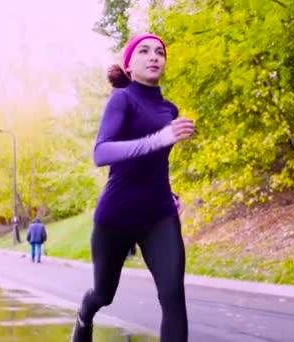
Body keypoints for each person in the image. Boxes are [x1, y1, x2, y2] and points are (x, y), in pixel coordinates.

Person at [71, 33, 195, 342]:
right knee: (103, 294)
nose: (154, 56)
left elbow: (155, 162)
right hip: (116, 216)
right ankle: (84, 315)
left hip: (159, 215)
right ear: (129, 65)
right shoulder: (122, 99)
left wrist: (168, 191)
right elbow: (101, 153)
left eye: (159, 52)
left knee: (173, 298)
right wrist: (158, 139)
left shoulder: (170, 110)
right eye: (144, 51)